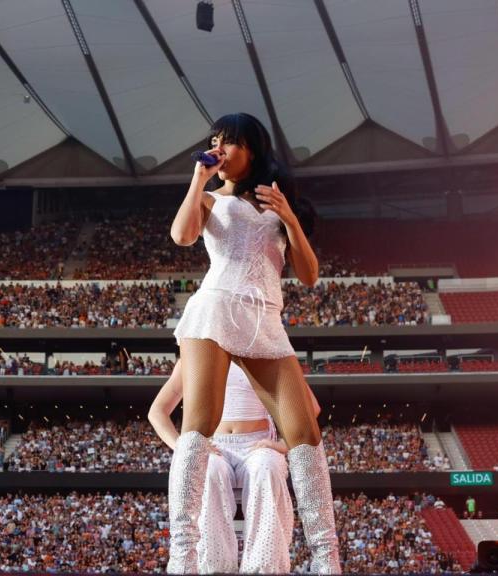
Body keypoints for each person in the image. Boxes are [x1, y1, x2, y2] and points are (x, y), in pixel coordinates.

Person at [168, 112, 339, 574]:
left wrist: (289, 219)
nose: (219, 147)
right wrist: (197, 179)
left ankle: (328, 561)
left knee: (305, 433)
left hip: (264, 317)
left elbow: (308, 274)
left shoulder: (277, 204)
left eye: (230, 141)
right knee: (199, 424)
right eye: (215, 139)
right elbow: (182, 236)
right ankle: (182, 558)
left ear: (253, 149)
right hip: (216, 308)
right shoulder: (207, 199)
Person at [150, 360, 319, 573]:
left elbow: (311, 408)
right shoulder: (195, 354)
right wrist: (184, 449)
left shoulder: (269, 353)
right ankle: (215, 569)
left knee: (266, 467)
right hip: (215, 445)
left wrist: (283, 445)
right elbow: (157, 412)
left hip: (258, 444)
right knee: (208, 469)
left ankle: (264, 568)